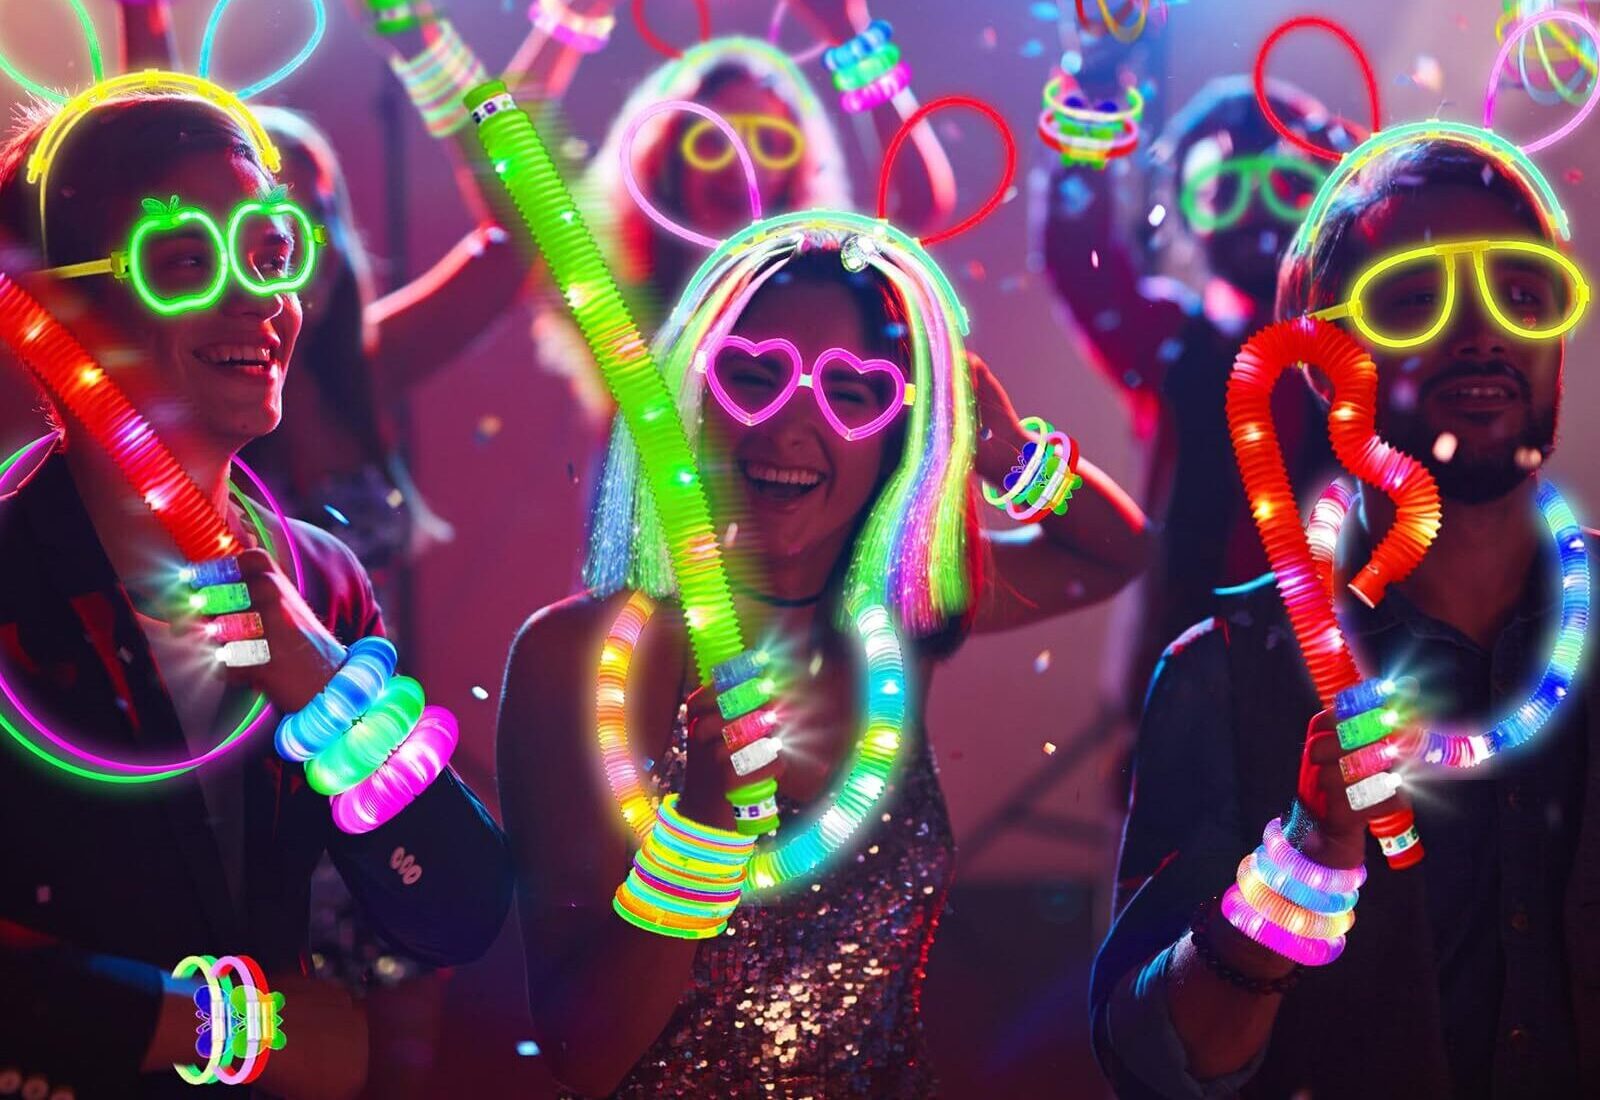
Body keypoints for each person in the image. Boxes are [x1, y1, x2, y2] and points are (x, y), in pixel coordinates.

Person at [497, 211, 1153, 1095]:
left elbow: (1110, 553)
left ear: (898, 433)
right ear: (694, 397)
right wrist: (698, 834)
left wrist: (998, 447)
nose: (789, 427)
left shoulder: (891, 623)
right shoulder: (581, 660)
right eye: (753, 376)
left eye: (850, 393)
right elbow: (583, 1052)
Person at [0, 91, 511, 1099]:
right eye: (188, 258)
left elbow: (458, 907)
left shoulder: (316, 578)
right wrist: (242, 1025)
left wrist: (322, 684)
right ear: (57, 309)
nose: (259, 301)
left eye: (270, 248)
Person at [1091, 130, 1597, 1097]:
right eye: (1416, 298)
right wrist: (1302, 867)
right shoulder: (1229, 675)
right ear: (1323, 357)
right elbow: (1153, 1064)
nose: (1483, 330)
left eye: (1522, 294)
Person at [118, 1, 532, 576]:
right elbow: (151, 143)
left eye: (317, 215)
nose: (288, 250)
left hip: (373, 668)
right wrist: (145, 16)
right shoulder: (181, 367)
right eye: (265, 228)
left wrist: (421, 54)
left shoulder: (369, 360)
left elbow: (523, 236)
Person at [1042, 75, 1350, 719]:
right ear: (1190, 210)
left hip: (1333, 690)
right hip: (1177, 683)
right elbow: (1077, 257)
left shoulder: (1359, 351)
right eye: (1225, 192)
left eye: (1285, 186)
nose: (1256, 214)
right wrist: (1096, 96)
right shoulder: (1176, 344)